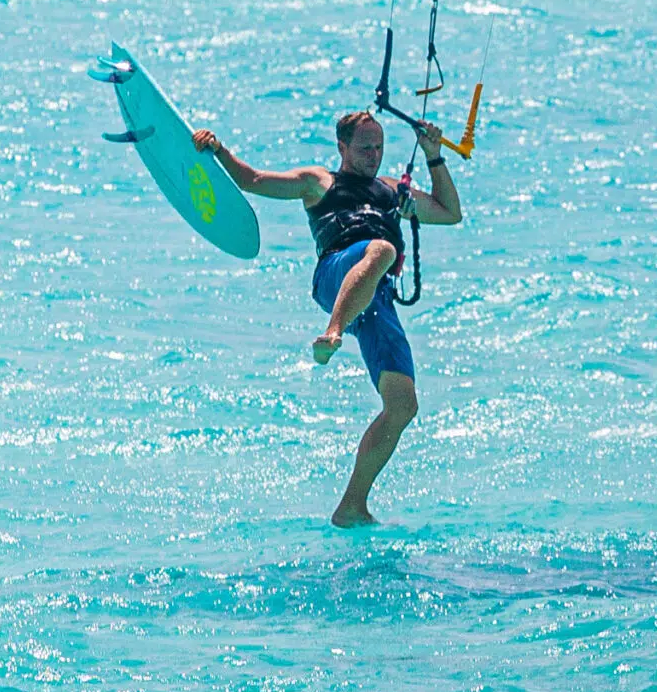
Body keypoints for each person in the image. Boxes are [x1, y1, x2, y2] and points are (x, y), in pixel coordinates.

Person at [190, 110, 463, 527]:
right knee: (382, 250)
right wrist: (218, 148)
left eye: (379, 147)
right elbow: (252, 180)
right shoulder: (319, 182)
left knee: (403, 405)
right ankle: (332, 333)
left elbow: (448, 212)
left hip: (376, 296)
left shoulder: (391, 190)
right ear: (342, 148)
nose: (373, 156)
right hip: (336, 274)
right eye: (364, 148)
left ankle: (352, 506)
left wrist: (433, 155)